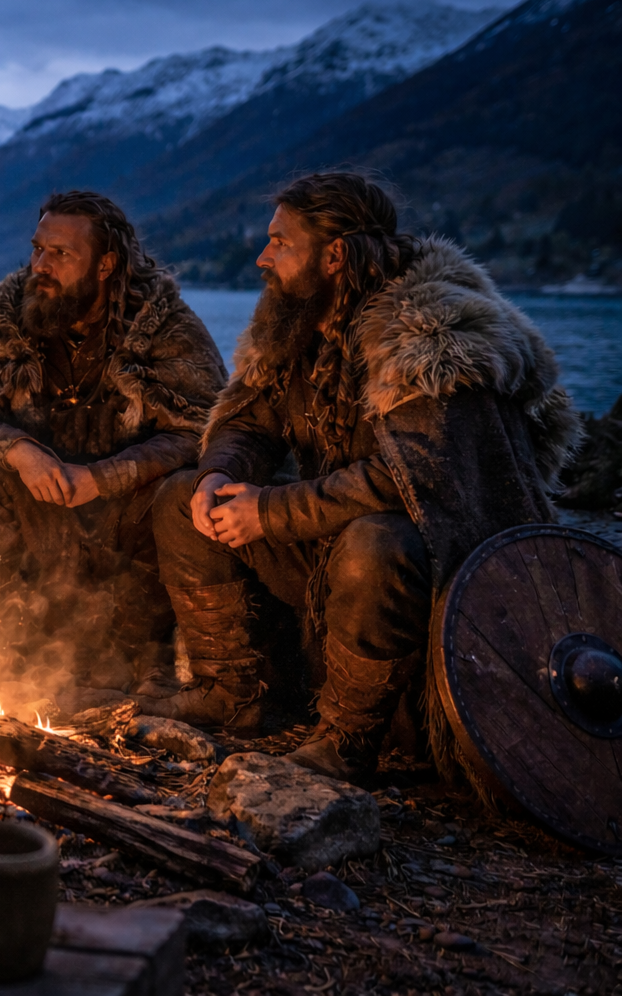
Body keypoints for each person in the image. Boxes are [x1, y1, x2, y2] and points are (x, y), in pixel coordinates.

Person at [142, 171, 577, 780]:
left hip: (427, 585)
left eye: (280, 243)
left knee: (374, 542)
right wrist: (221, 471)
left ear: (335, 254)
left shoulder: (432, 337)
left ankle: (349, 738)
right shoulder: (299, 324)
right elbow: (251, 419)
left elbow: (411, 478)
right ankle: (237, 693)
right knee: (181, 497)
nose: (263, 257)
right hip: (324, 549)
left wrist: (267, 511)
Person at [0, 191, 226, 690]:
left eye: (60, 254)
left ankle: (154, 658)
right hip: (36, 508)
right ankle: (2, 648)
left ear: (106, 264)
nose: (40, 265)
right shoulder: (5, 315)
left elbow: (202, 428)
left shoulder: (163, 324)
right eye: (37, 249)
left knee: (181, 491)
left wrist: (104, 477)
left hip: (124, 519)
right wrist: (18, 451)